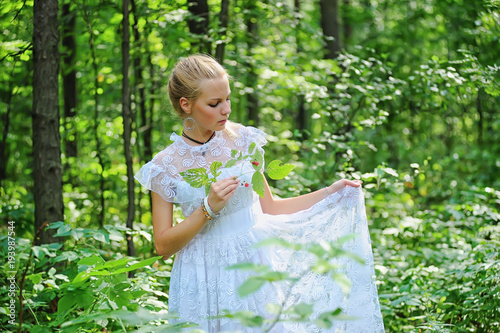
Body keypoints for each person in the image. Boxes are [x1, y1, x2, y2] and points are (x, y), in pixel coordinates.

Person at [135, 54, 385, 332]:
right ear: (186, 105)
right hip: (202, 274)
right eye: (214, 103)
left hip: (254, 263)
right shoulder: (164, 166)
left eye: (228, 99)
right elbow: (163, 246)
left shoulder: (242, 140)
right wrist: (207, 208)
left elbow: (272, 207)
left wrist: (330, 192)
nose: (226, 110)